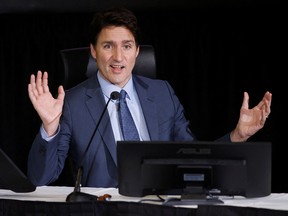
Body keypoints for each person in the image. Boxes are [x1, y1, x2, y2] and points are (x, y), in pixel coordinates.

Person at [27, 7, 272, 188]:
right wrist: (49, 129)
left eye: (126, 46)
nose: (118, 57)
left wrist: (237, 137)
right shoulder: (72, 103)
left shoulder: (162, 93)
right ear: (93, 51)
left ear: (136, 51)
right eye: (107, 46)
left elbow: (194, 157)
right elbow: (41, 179)